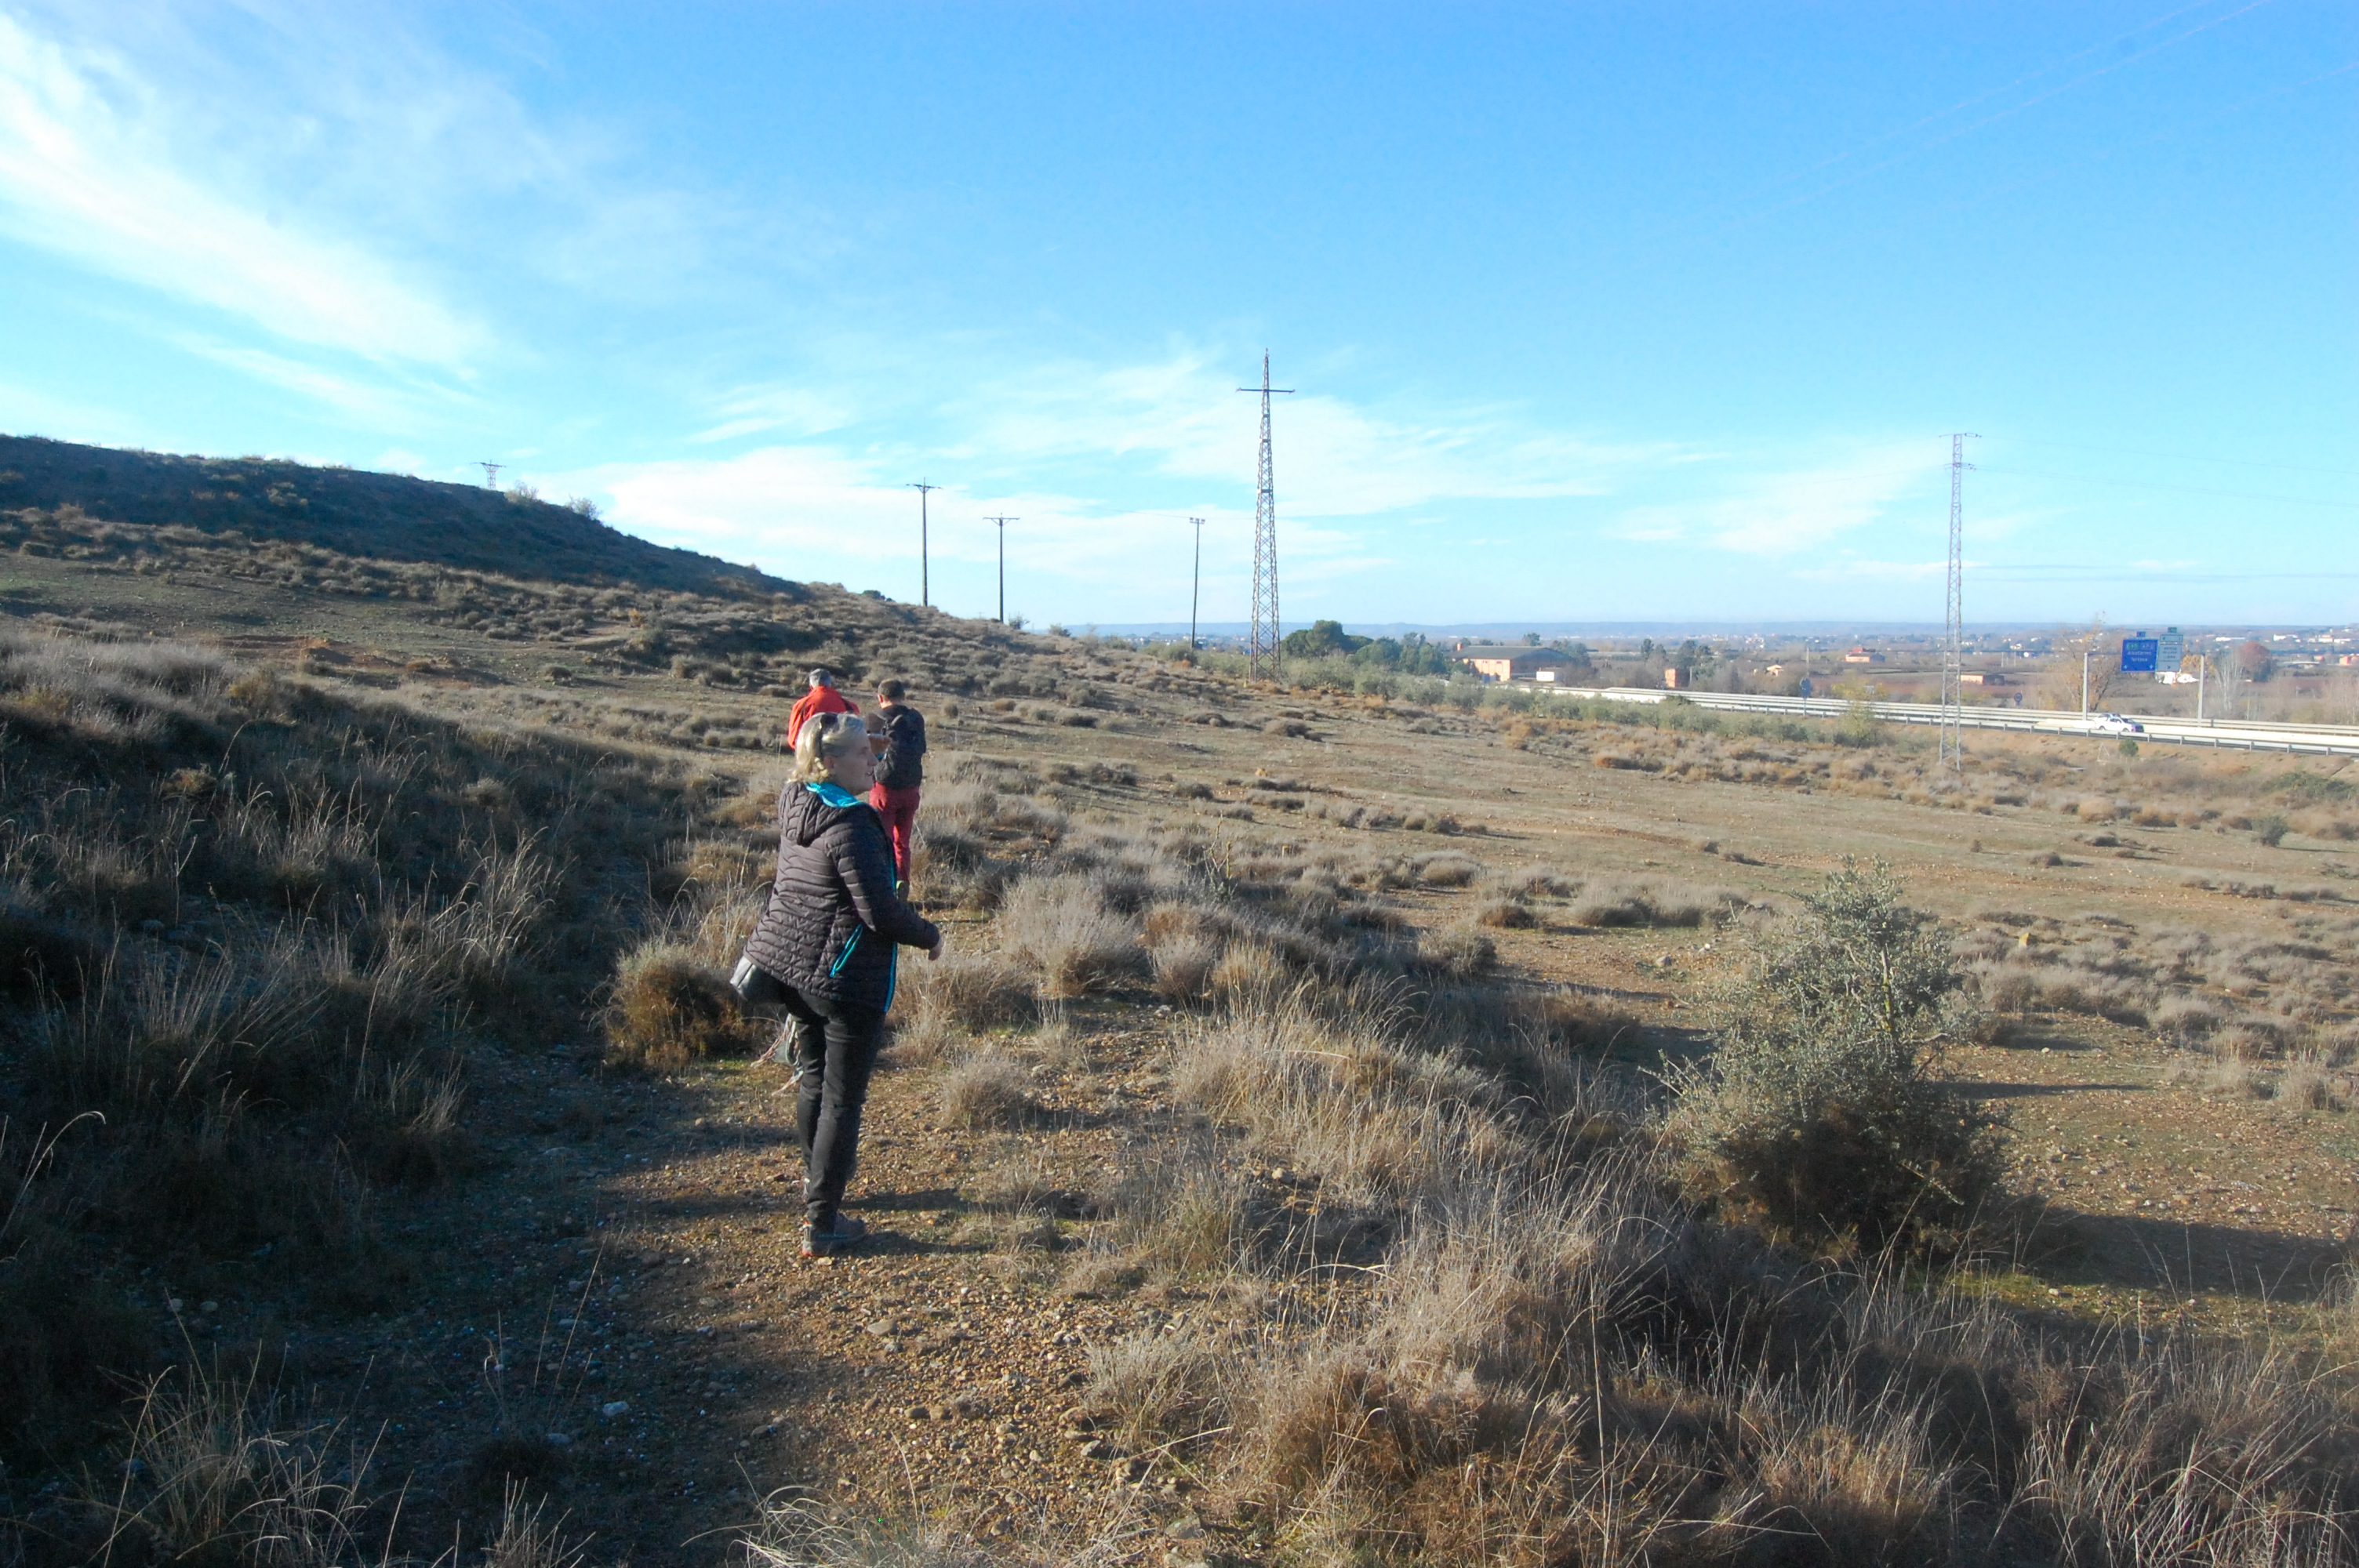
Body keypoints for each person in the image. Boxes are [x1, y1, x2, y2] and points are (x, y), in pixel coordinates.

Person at [739, 711, 943, 1258]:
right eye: (862, 754)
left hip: (792, 968)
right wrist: (930, 935)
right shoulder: (852, 822)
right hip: (843, 977)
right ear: (830, 762)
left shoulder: (798, 802)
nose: (873, 761)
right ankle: (822, 1222)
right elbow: (879, 911)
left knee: (813, 1081)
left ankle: (817, 1186)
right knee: (841, 1100)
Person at [868, 679, 926, 887]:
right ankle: (902, 880)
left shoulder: (875, 718)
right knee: (902, 841)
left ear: (881, 698)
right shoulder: (916, 718)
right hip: (911, 787)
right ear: (903, 696)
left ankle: (883, 883)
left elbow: (868, 754)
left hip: (884, 787)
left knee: (882, 839)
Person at [786, 667, 857, 750]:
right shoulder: (849, 706)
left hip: (812, 753)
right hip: (841, 755)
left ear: (811, 686)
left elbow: (794, 739)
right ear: (830, 684)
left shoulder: (802, 705)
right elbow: (857, 736)